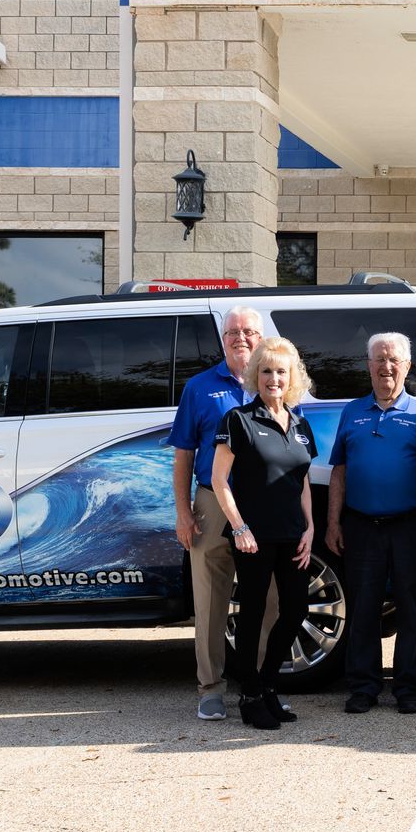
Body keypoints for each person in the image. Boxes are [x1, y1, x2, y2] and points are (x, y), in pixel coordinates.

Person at [169, 305, 274, 721]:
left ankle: (260, 685)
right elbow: (183, 454)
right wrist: (182, 511)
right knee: (211, 600)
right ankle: (211, 687)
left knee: (268, 599)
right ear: (222, 338)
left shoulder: (274, 383)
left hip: (263, 504)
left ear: (261, 337)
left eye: (249, 331)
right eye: (233, 331)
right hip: (213, 502)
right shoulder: (199, 388)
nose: (241, 338)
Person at [325, 332, 416, 715]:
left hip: (411, 525)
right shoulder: (351, 412)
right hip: (360, 526)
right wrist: (333, 523)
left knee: (411, 608)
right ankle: (364, 686)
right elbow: (338, 471)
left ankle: (408, 687)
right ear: (368, 365)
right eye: (379, 359)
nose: (386, 367)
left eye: (394, 360)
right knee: (363, 608)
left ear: (406, 366)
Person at [210, 338, 317, 731]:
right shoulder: (238, 420)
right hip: (252, 537)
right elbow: (219, 480)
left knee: (295, 612)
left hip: (293, 536)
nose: (274, 378)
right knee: (252, 616)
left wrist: (310, 528)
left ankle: (267, 684)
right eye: (267, 371)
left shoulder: (300, 423)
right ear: (256, 375)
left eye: (281, 372)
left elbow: (302, 481)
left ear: (292, 378)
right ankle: (250, 694)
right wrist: (239, 527)